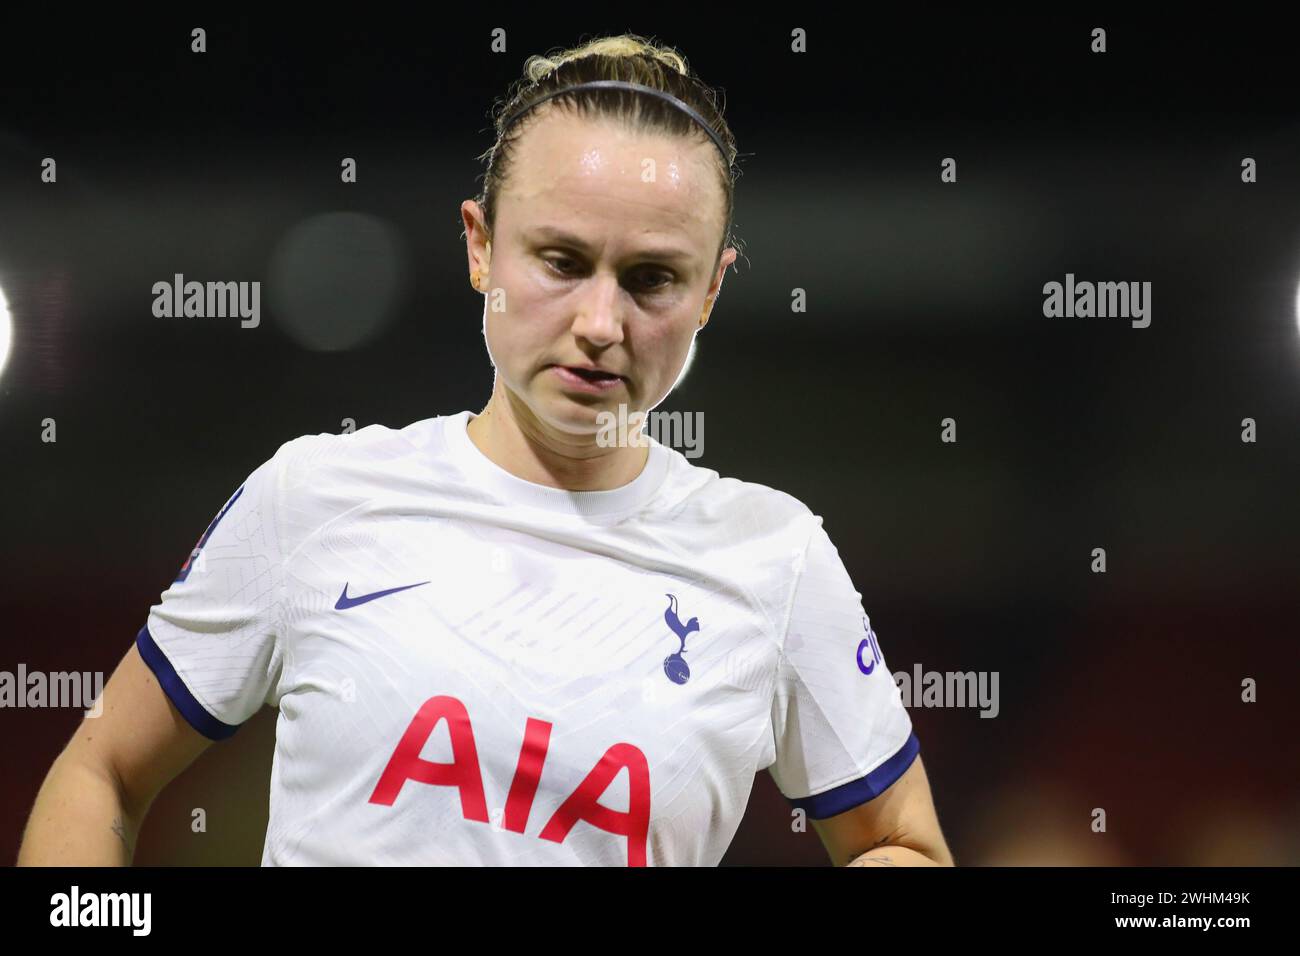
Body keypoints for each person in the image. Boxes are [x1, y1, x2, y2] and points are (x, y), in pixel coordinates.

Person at [18, 33, 953, 867]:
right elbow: (100, 771)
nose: (600, 323)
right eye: (559, 260)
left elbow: (901, 844)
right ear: (480, 246)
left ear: (712, 290)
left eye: (653, 279)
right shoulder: (316, 497)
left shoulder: (773, 560)